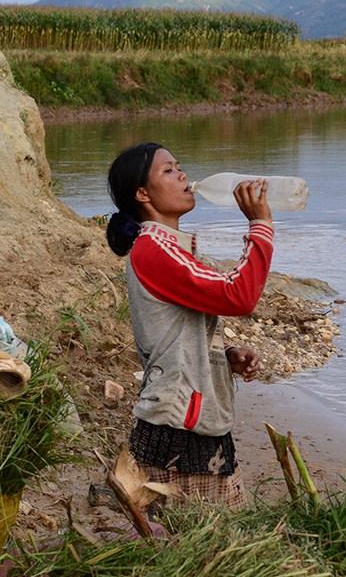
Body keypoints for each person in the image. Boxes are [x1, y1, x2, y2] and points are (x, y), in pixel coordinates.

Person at [105, 141, 273, 510]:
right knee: (208, 547)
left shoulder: (172, 248)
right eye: (168, 170)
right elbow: (238, 296)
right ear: (142, 194)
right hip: (179, 424)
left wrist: (224, 356)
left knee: (192, 545)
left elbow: (178, 330)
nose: (182, 174)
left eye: (179, 166)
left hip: (191, 418)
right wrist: (260, 226)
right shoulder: (153, 248)